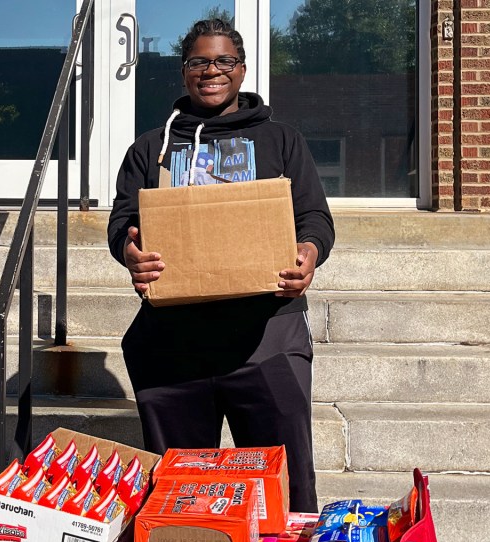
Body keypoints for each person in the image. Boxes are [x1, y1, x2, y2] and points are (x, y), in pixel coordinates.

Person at [107, 18, 335, 512]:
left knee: (285, 493)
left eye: (224, 61)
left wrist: (309, 252)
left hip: (267, 338)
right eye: (199, 62)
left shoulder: (280, 141)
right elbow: (123, 221)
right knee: (180, 498)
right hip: (173, 346)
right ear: (184, 71)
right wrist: (130, 254)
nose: (211, 71)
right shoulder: (151, 149)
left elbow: (314, 217)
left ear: (242, 69)